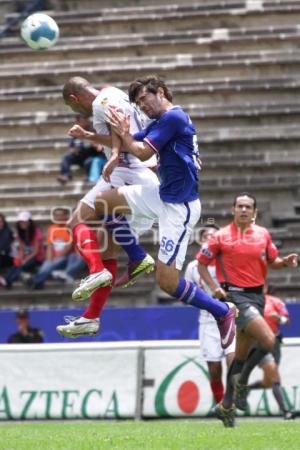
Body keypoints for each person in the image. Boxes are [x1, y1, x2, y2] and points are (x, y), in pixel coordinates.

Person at [88, 75, 237, 348]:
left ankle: (222, 311)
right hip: (162, 194)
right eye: (138, 103)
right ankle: (136, 256)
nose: (142, 106)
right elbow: (135, 140)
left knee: (167, 283)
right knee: (103, 202)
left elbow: (142, 153)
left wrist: (123, 135)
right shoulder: (161, 122)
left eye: (145, 98)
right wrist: (115, 134)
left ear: (162, 92)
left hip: (179, 208)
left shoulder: (173, 118)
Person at [56, 76, 159, 338]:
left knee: (76, 221)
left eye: (71, 108)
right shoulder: (113, 93)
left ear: (74, 99)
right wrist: (89, 135)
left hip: (127, 173)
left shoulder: (102, 102)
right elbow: (123, 131)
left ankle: (103, 269)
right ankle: (90, 317)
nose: (75, 113)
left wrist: (113, 155)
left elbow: (121, 132)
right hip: (143, 179)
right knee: (105, 250)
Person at [198, 192, 298, 427]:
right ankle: (242, 382)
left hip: (257, 297)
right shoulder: (220, 237)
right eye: (240, 206)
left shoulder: (263, 234)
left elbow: (272, 261)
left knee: (239, 357)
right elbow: (201, 264)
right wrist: (214, 288)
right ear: (233, 210)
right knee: (268, 340)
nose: (244, 210)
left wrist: (285, 262)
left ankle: (225, 406)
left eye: (248, 207)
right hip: (235, 297)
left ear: (254, 212)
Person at [185, 224, 235, 406]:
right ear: (201, 240)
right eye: (206, 236)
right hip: (207, 321)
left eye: (214, 236)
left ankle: (231, 402)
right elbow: (186, 293)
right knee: (214, 368)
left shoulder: (230, 262)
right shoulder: (192, 267)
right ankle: (221, 406)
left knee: (233, 363)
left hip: (231, 318)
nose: (210, 239)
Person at [248, 285, 297, 420]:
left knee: (269, 381)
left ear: (265, 288)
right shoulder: (249, 303)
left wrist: (279, 319)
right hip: (259, 343)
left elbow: (287, 321)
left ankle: (245, 389)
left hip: (274, 343)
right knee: (274, 375)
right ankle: (286, 411)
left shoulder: (276, 301)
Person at [27, 208, 86, 289]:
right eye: (56, 215)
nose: (58, 217)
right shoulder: (52, 228)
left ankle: (36, 280)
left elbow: (69, 246)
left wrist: (57, 258)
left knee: (52, 264)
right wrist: (49, 258)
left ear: (66, 216)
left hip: (66, 256)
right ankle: (38, 282)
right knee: (48, 263)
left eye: (60, 215)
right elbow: (50, 245)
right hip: (55, 256)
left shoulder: (70, 227)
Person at [0, 211, 45, 289]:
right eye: (21, 222)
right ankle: (6, 281)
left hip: (37, 257)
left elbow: (36, 251)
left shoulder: (37, 231)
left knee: (21, 266)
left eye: (25, 222)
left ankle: (7, 280)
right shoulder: (20, 232)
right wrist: (21, 257)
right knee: (17, 264)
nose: (22, 224)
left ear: (29, 222)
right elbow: (22, 248)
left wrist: (25, 259)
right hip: (27, 254)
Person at [57, 115, 104, 184]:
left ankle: (89, 177)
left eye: (86, 119)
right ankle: (65, 175)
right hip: (80, 156)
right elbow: (71, 148)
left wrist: (94, 144)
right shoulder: (76, 132)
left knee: (90, 162)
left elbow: (100, 147)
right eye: (83, 119)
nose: (86, 121)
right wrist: (75, 150)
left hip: (91, 156)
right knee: (66, 157)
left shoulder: (93, 130)